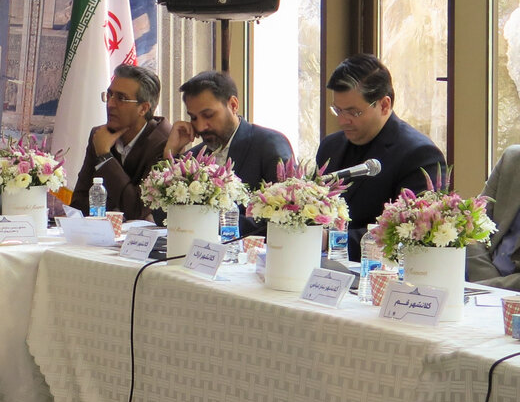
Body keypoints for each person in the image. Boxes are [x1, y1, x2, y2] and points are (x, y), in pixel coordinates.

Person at [315, 54, 446, 259]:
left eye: (353, 112)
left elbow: (409, 233)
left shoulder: (420, 155)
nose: (342, 121)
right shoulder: (330, 147)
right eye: (338, 110)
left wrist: (329, 240)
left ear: (384, 105)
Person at [163, 70, 294, 236]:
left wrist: (206, 222)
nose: (201, 126)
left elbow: (285, 216)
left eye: (208, 115)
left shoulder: (269, 144)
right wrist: (170, 154)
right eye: (193, 118)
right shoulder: (194, 158)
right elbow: (162, 215)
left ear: (233, 105)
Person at [70, 64, 170, 221]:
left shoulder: (164, 142)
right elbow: (79, 204)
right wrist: (118, 206)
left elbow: (137, 209)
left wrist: (105, 157)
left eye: (121, 98)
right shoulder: (100, 135)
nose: (110, 104)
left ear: (143, 108)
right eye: (109, 95)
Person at [466, 145, 520, 289]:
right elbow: (472, 224)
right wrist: (484, 283)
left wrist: (490, 288)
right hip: (478, 277)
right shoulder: (512, 159)